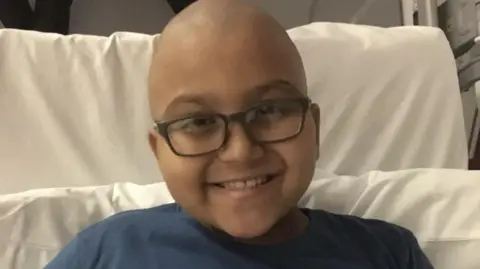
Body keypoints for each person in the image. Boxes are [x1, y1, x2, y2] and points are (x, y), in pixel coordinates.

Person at [44, 0, 434, 268]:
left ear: (313, 129)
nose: (240, 151)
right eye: (198, 122)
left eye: (269, 111)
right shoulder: (104, 254)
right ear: (159, 151)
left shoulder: (387, 254)